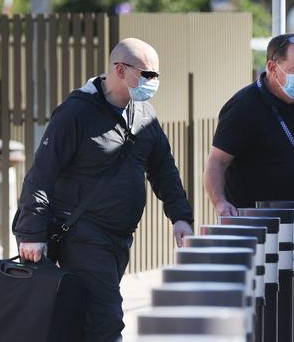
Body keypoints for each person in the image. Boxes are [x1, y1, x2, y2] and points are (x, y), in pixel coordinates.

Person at [14, 38, 194, 341]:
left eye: (157, 76)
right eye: (148, 75)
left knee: (83, 319)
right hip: (82, 235)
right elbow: (41, 175)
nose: (153, 83)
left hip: (119, 239)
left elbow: (164, 169)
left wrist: (181, 217)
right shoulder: (76, 113)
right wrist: (31, 233)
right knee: (106, 321)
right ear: (120, 70)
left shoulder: (144, 114)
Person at [203, 33, 294, 244]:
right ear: (272, 68)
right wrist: (220, 203)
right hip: (254, 227)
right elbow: (217, 162)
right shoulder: (243, 107)